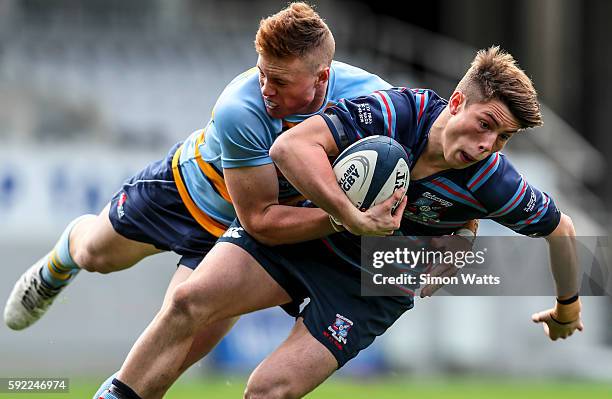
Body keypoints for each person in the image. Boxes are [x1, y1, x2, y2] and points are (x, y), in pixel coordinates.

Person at [99, 46, 583, 399]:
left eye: (503, 137)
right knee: (188, 300)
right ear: (456, 103)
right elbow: (289, 148)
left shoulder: (493, 180)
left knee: (268, 391)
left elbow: (562, 230)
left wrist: (568, 310)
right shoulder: (397, 111)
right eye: (485, 124)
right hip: (315, 229)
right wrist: (348, 216)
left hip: (373, 276)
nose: (486, 145)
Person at [5, 0, 411, 386]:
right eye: (261, 73)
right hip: (185, 191)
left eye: (280, 80)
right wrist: (347, 218)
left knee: (170, 353)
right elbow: (261, 218)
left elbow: (428, 156)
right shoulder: (242, 105)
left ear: (322, 77)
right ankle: (58, 263)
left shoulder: (374, 101)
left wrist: (451, 240)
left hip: (238, 233)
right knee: (95, 254)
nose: (266, 87)